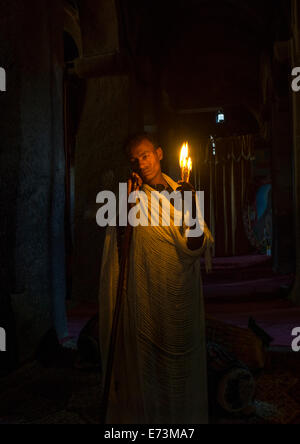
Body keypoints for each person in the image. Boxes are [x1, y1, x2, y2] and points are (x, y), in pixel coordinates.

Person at [99, 133, 214, 424]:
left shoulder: (183, 192)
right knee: (147, 363)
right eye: (134, 159)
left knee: (180, 364)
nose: (141, 163)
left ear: (159, 154)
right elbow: (118, 246)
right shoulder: (129, 196)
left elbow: (196, 245)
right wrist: (128, 202)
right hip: (145, 292)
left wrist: (188, 209)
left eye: (145, 155)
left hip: (179, 293)